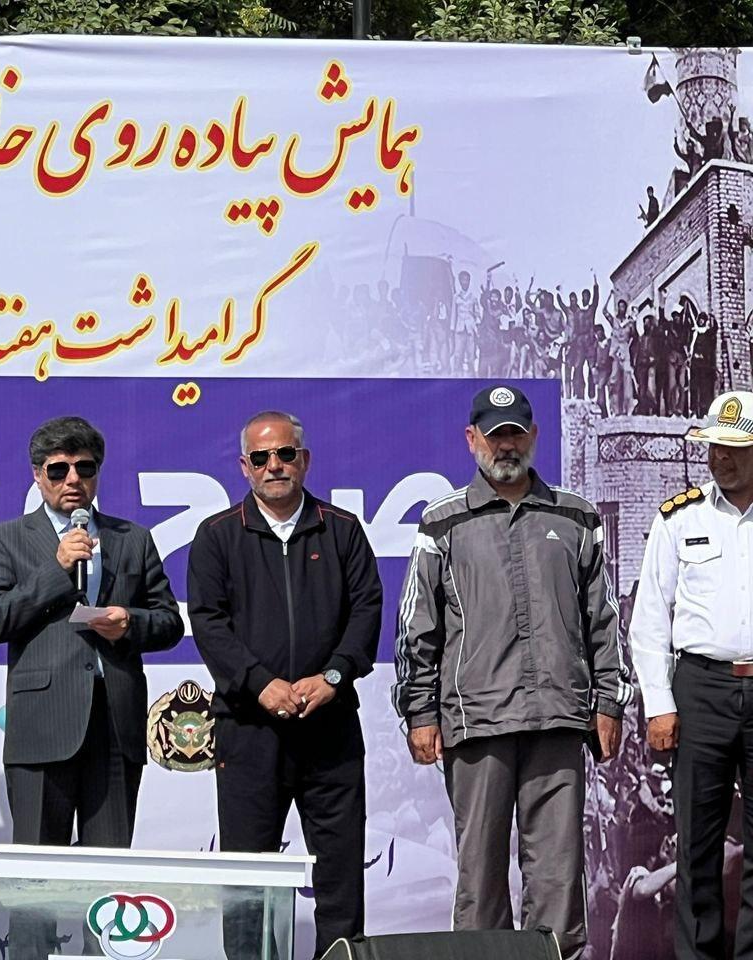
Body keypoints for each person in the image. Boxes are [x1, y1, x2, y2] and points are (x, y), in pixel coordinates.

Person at [392, 385, 632, 960]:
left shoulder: (575, 516)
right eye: (495, 435)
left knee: (558, 878)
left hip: (560, 718)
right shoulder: (443, 523)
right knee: (480, 880)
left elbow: (603, 619)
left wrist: (609, 702)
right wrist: (420, 712)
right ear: (471, 439)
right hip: (477, 720)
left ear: (534, 437)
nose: (506, 446)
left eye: (516, 435)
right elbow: (418, 628)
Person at [0, 416, 183, 960]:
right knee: (35, 882)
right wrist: (57, 566)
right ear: (37, 475)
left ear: (98, 473)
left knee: (108, 882)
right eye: (59, 470)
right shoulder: (4, 540)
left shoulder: (132, 539)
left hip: (114, 727)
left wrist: (129, 622)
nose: (73, 480)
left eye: (84, 468)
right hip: (42, 729)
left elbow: (169, 621)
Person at [188, 410, 382, 958]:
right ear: (244, 467)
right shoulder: (217, 536)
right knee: (248, 880)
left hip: (330, 729)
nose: (274, 465)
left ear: (305, 460)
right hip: (249, 730)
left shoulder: (342, 529)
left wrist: (334, 676)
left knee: (340, 874)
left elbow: (367, 609)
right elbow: (208, 622)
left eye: (285, 454)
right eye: (261, 457)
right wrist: (259, 683)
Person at [629, 389, 753, 960]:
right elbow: (650, 617)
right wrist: (659, 703)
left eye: (734, 448)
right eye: (713, 447)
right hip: (700, 689)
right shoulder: (680, 517)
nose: (720, 458)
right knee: (697, 850)